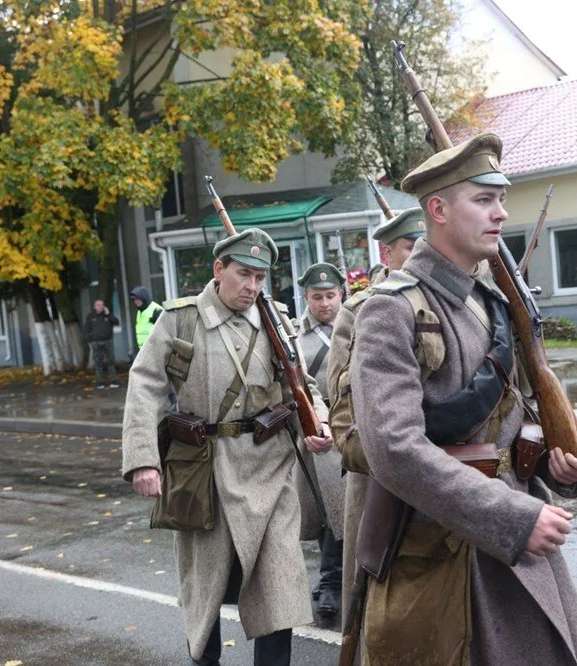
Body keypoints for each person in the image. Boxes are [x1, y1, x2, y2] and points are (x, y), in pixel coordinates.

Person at [348, 134, 577, 664]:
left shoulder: (490, 300)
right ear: (438, 209)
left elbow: (509, 416)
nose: (501, 213)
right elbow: (393, 449)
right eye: (483, 200)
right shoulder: (391, 308)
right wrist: (512, 517)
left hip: (515, 541)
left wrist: (549, 461)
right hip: (447, 557)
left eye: (501, 199)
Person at [121, 228, 333, 666]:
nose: (252, 286)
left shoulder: (275, 318)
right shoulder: (181, 319)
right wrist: (143, 460)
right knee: (206, 590)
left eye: (260, 277)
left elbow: (301, 384)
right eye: (243, 274)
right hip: (204, 472)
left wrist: (321, 422)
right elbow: (145, 385)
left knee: (281, 587)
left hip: (270, 470)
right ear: (219, 270)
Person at [326, 207, 424, 618]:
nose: (420, 252)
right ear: (387, 254)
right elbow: (341, 395)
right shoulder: (361, 308)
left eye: (425, 243)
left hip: (446, 469)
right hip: (378, 474)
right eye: (409, 245)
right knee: (369, 597)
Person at [295, 262, 347, 621]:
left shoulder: (357, 325)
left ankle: (332, 580)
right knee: (321, 509)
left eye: (330, 296)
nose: (325, 303)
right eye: (317, 297)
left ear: (341, 294)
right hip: (314, 427)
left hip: (350, 425)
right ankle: (331, 579)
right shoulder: (294, 335)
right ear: (306, 297)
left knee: (339, 508)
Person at [84, 298, 119, 389]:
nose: (100, 307)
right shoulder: (90, 316)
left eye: (102, 305)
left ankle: (113, 380)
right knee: (98, 362)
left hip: (108, 341)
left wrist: (108, 315)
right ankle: (100, 382)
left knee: (111, 361)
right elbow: (87, 329)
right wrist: (90, 341)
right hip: (96, 342)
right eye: (98, 305)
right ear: (94, 307)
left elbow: (116, 322)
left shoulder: (108, 315)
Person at [129, 285, 163, 354]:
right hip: (144, 350)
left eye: (137, 299)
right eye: (134, 299)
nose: (136, 301)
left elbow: (165, 331)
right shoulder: (140, 311)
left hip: (155, 349)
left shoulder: (156, 310)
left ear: (143, 298)